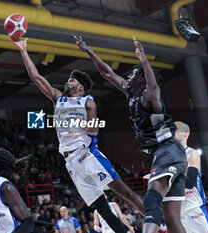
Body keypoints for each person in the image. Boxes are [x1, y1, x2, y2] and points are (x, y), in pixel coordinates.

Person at [10, 36, 143, 233]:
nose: (67, 82)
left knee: (123, 191)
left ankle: (159, 222)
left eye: (71, 80)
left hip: (87, 154)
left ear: (80, 87)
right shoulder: (58, 99)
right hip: (70, 162)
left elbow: (95, 128)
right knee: (103, 210)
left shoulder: (87, 100)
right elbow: (37, 78)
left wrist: (83, 125)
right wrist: (23, 51)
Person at [75, 35, 187, 233]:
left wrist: (144, 61)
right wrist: (89, 51)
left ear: (141, 77)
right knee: (172, 220)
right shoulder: (130, 93)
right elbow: (108, 74)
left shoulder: (149, 98)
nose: (127, 77)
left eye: (133, 74)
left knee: (152, 197)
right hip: (162, 154)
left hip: (168, 150)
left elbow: (153, 87)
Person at [174, 121, 208, 233]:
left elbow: (189, 182)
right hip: (178, 212)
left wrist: (166, 177)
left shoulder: (191, 153)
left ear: (186, 133)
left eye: (176, 129)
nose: (172, 132)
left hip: (194, 208)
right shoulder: (170, 159)